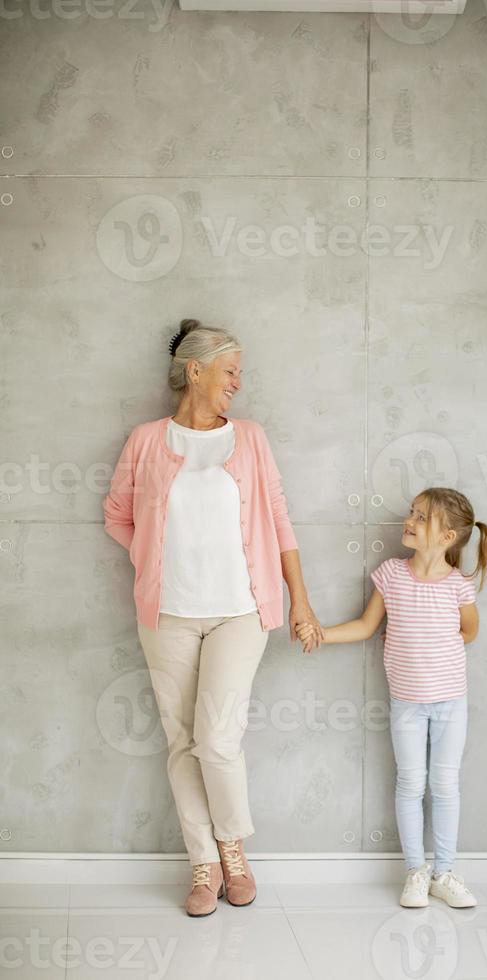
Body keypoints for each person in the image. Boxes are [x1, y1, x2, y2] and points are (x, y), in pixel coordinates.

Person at [103, 318, 324, 917]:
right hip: (166, 612)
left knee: (216, 739)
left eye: (240, 375)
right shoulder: (147, 440)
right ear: (194, 370)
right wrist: (151, 559)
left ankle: (233, 850)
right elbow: (117, 514)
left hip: (240, 613)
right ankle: (201, 865)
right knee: (181, 742)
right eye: (230, 372)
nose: (237, 384)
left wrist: (299, 599)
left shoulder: (249, 438)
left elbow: (278, 520)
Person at [297, 488, 487, 909]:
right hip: (406, 702)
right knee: (410, 783)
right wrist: (323, 633)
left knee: (444, 784)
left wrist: (427, 643)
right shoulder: (391, 574)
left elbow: (469, 633)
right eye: (412, 513)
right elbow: (368, 626)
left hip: (449, 703)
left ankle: (444, 871)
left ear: (448, 536)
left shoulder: (458, 586)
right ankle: (415, 871)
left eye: (422, 517)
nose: (409, 521)